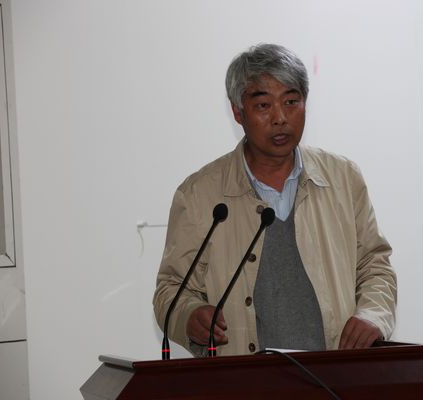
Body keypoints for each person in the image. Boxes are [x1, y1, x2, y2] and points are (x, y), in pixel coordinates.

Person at [153, 43, 397, 357]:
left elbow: (375, 266)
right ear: (238, 112)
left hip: (335, 374)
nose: (280, 118)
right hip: (245, 377)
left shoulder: (343, 179)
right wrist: (189, 315)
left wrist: (373, 315)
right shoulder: (199, 194)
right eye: (263, 105)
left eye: (291, 101)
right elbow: (171, 288)